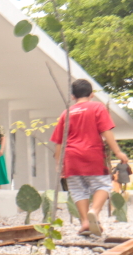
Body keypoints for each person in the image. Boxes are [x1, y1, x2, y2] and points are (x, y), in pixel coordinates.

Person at [51, 79, 130, 237]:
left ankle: (85, 221)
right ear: (92, 94)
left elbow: (60, 141)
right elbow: (106, 132)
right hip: (92, 154)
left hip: (71, 157)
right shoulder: (97, 107)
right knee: (103, 185)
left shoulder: (66, 113)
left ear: (73, 96)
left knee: (78, 191)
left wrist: (59, 164)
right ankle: (94, 211)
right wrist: (118, 152)